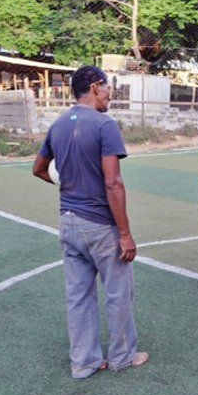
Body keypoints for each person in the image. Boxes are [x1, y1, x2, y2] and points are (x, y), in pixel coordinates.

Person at [32, 65, 148, 378]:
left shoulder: (57, 126)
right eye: (108, 87)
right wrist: (125, 233)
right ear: (96, 86)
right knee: (118, 293)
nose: (110, 94)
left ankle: (83, 363)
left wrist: (70, 184)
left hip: (68, 223)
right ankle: (122, 357)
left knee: (78, 297)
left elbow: (39, 169)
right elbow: (113, 184)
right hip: (99, 225)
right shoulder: (104, 125)